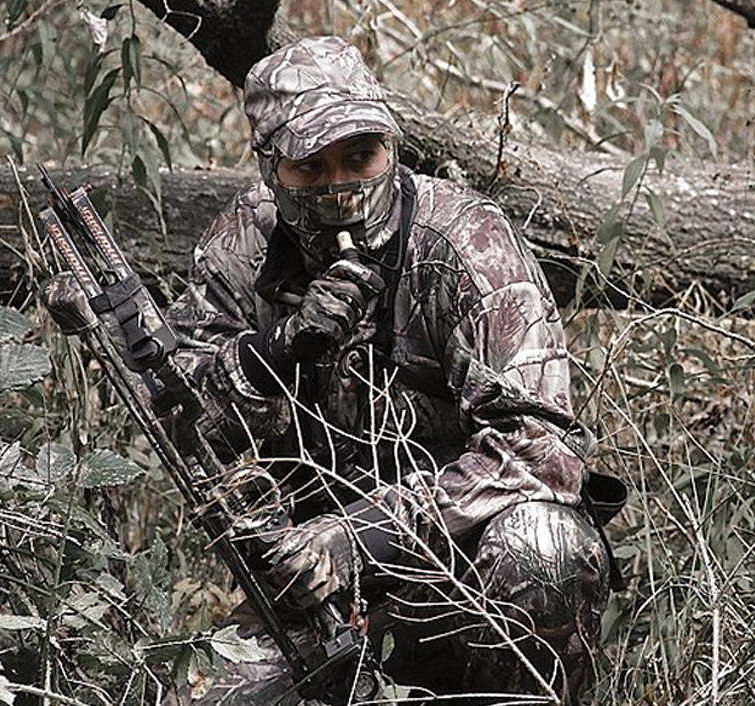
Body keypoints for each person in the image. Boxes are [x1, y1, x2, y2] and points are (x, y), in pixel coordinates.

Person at [157, 36, 624, 705]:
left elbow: (538, 454)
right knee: (201, 696)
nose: (340, 186)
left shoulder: (465, 240)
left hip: (467, 563)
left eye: (359, 156)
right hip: (315, 588)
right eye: (310, 167)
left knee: (543, 543)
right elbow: (186, 425)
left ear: (390, 148)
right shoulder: (243, 244)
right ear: (270, 170)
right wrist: (278, 351)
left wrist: (358, 537)